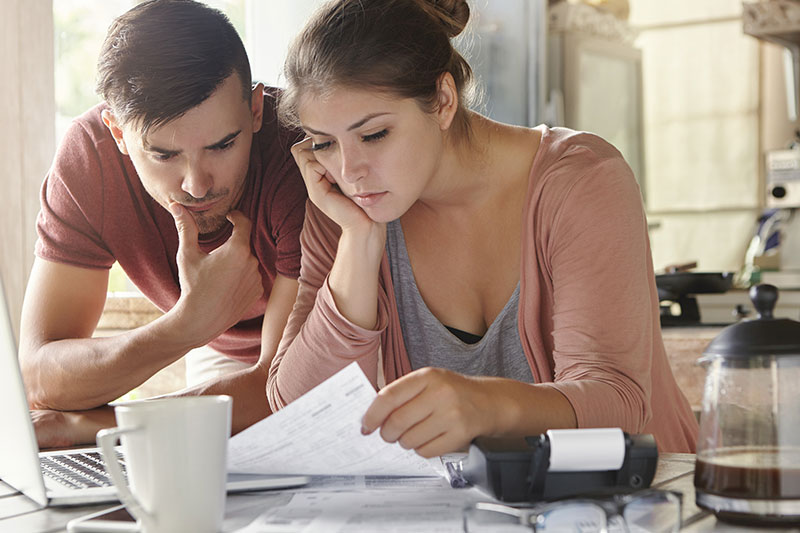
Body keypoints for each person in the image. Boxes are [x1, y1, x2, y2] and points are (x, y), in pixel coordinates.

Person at [267, 0, 698, 455]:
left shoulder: (581, 181)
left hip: (642, 504)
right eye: (324, 143)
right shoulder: (341, 207)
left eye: (374, 135)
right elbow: (300, 415)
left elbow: (618, 402)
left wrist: (484, 407)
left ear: (444, 101)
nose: (350, 170)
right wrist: (358, 242)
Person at [20, 0, 306, 447]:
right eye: (164, 154)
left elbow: (282, 387)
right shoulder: (90, 157)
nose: (196, 185)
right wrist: (187, 326)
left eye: (223, 144)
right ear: (117, 132)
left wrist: (98, 428)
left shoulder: (298, 149)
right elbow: (39, 377)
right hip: (214, 348)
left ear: (254, 109)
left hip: (314, 360)